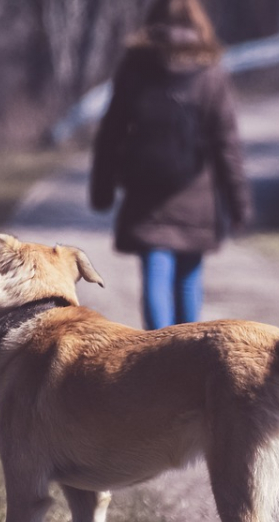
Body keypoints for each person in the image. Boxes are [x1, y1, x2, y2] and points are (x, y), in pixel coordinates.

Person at [90, 0, 251, 330]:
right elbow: (227, 145)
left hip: (145, 192)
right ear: (200, 23)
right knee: (188, 279)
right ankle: (188, 358)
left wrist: (102, 188)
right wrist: (238, 204)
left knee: (155, 275)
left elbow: (111, 131)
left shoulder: (135, 67)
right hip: (196, 195)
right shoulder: (210, 72)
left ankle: (157, 357)